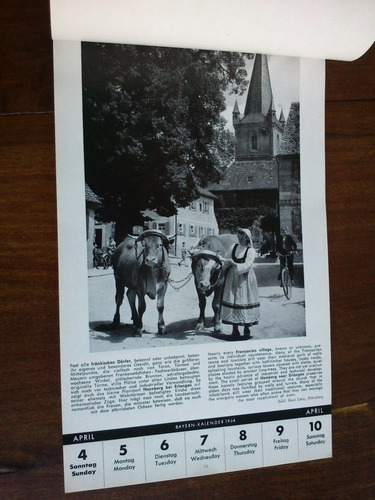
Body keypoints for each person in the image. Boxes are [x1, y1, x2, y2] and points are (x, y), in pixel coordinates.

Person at [220, 228, 260, 339]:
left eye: (240, 236)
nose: (238, 237)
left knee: (245, 299)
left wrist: (234, 263)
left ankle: (246, 328)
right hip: (232, 277)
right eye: (238, 236)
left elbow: (247, 265)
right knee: (232, 300)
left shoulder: (251, 251)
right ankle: (235, 329)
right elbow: (226, 260)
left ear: (246, 238)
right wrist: (221, 264)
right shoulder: (233, 247)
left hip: (245, 278)